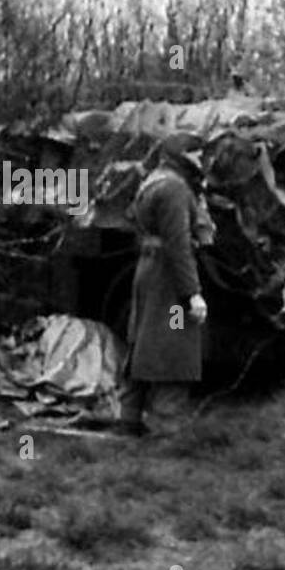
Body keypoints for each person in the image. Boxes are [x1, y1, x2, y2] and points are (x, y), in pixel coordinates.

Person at [117, 132, 211, 436]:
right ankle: (166, 425)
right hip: (168, 278)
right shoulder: (174, 190)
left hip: (150, 268)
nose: (202, 160)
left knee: (144, 343)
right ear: (183, 156)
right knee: (174, 345)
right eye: (196, 154)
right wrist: (192, 294)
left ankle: (129, 416)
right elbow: (179, 245)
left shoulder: (154, 181)